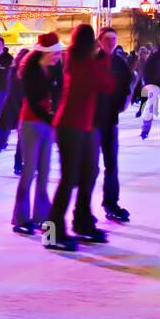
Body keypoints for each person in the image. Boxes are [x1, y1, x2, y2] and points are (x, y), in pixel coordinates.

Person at [45, 24, 115, 251]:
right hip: (71, 126)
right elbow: (107, 84)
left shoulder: (78, 59)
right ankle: (52, 233)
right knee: (69, 180)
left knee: (87, 175)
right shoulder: (84, 63)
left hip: (81, 125)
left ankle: (82, 222)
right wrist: (104, 57)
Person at [11, 36, 61, 233]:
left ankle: (42, 215)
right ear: (46, 52)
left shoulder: (52, 69)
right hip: (31, 123)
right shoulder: (31, 71)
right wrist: (53, 120)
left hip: (46, 124)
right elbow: (32, 103)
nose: (58, 56)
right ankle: (21, 218)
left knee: (45, 170)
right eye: (55, 52)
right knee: (30, 170)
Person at [94, 28, 133, 222]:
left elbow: (129, 81)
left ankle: (111, 203)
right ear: (100, 41)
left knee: (111, 165)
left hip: (110, 120)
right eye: (107, 39)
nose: (111, 43)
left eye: (114, 39)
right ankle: (82, 209)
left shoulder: (119, 62)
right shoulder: (93, 62)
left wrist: (125, 99)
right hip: (92, 121)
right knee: (90, 168)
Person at [0, 47, 28, 174]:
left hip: (12, 105)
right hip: (14, 106)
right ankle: (15, 164)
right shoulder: (18, 71)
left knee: (11, 137)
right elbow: (17, 91)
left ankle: (12, 163)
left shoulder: (16, 70)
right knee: (11, 137)